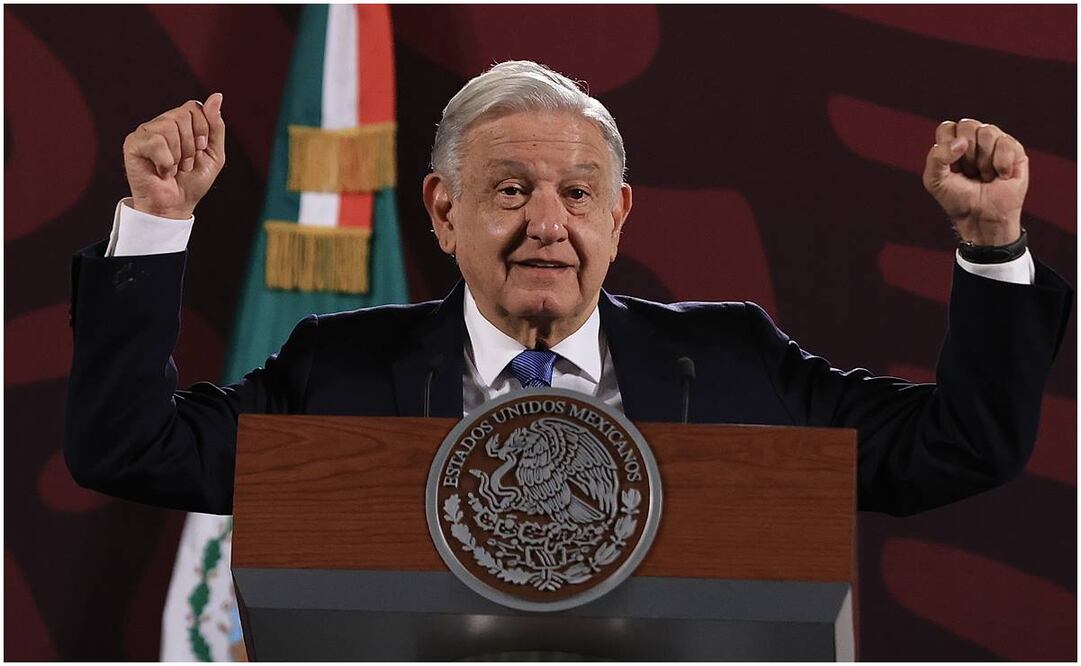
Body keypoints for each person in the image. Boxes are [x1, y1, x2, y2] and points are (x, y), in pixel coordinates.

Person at [65, 61, 1071, 518]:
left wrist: (991, 243)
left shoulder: (734, 363)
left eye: (577, 193)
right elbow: (130, 450)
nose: (548, 220)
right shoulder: (338, 367)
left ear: (618, 216)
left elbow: (960, 448)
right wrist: (157, 220)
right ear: (444, 212)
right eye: (510, 190)